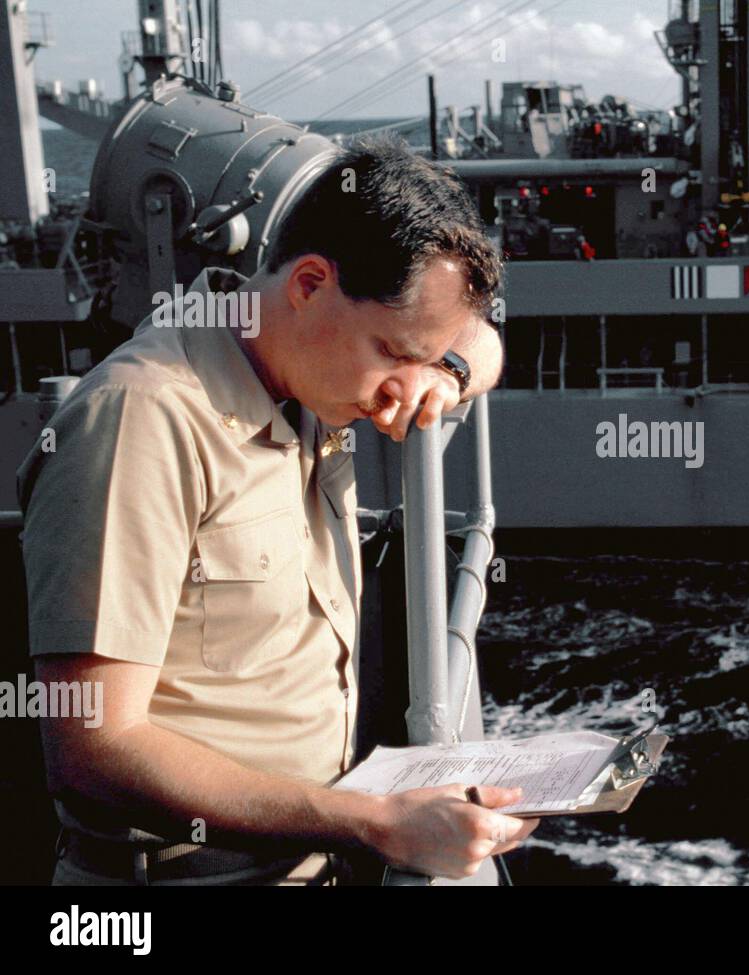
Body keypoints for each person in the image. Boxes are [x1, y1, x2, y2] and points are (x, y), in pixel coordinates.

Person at [18, 135, 536, 885]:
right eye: (394, 352)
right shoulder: (142, 419)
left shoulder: (301, 362)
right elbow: (94, 745)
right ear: (310, 283)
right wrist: (376, 822)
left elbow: (478, 339)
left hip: (302, 859)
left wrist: (446, 370)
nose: (400, 387)